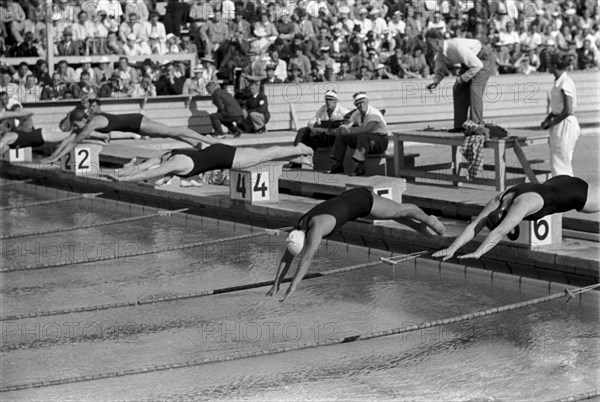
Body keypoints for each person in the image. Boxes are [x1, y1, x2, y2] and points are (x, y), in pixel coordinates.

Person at [266, 187, 446, 301]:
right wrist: (276, 283)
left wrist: (293, 285)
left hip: (362, 199)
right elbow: (287, 256)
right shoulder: (299, 226)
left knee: (403, 210)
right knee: (393, 215)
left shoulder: (315, 230)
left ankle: (430, 221)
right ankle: (419, 228)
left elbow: (306, 259)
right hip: (350, 201)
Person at [432, 176, 599, 261]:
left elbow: (500, 232)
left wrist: (478, 253)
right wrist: (452, 248)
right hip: (558, 182)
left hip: (577, 193)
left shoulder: (521, 204)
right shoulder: (499, 200)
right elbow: (475, 225)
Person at [42, 109, 219, 164]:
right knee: (174, 134)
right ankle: (199, 145)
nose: (75, 128)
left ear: (81, 121)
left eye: (75, 125)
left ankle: (209, 140)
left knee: (173, 131)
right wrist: (52, 156)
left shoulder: (92, 123)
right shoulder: (88, 122)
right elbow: (68, 139)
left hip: (137, 122)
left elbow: (74, 141)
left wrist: (55, 158)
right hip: (135, 125)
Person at [106, 143, 314, 185]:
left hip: (229, 159)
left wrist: (122, 180)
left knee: (267, 154)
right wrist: (114, 172)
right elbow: (142, 167)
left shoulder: (172, 164)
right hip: (216, 151)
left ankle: (301, 149)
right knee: (266, 155)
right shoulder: (165, 156)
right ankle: (298, 158)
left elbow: (146, 175)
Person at [425, 29, 492, 133]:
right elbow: (439, 71)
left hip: (481, 58)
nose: (428, 47)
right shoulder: (440, 54)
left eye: (429, 44)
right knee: (458, 89)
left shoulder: (457, 47)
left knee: (474, 89)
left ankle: (476, 124)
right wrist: (435, 82)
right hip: (468, 63)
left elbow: (478, 65)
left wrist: (462, 78)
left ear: (437, 42)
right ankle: (459, 126)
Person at [286, 89, 350, 169]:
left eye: (331, 99)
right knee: (303, 131)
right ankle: (296, 160)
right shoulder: (323, 109)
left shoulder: (343, 112)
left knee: (310, 138)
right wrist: (316, 127)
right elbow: (310, 123)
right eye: (326, 99)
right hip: (322, 136)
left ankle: (298, 158)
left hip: (333, 138)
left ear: (336, 101)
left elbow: (347, 125)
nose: (328, 102)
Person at [329, 92, 388, 176]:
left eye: (363, 102)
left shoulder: (374, 113)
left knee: (362, 135)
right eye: (358, 103)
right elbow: (348, 124)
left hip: (380, 141)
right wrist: (342, 128)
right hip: (367, 140)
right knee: (342, 136)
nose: (361, 105)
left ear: (367, 101)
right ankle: (338, 165)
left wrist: (349, 131)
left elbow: (367, 129)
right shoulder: (357, 113)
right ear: (355, 105)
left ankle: (360, 167)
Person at [541, 51, 581, 177]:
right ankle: (563, 191)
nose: (548, 67)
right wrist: (547, 120)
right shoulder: (558, 81)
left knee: (562, 162)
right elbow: (556, 109)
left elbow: (568, 110)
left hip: (566, 125)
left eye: (549, 64)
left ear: (555, 66)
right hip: (560, 124)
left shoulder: (565, 82)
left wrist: (552, 121)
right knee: (557, 161)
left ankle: (566, 192)